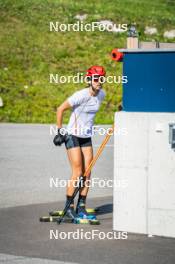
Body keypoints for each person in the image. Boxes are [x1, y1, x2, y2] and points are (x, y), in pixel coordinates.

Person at [53, 65, 106, 221]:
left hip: (86, 137)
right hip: (72, 135)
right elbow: (60, 109)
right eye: (96, 79)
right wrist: (59, 131)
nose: (99, 81)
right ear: (89, 79)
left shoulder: (101, 94)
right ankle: (69, 208)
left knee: (87, 172)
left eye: (101, 78)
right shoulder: (80, 95)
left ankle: (81, 207)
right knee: (77, 171)